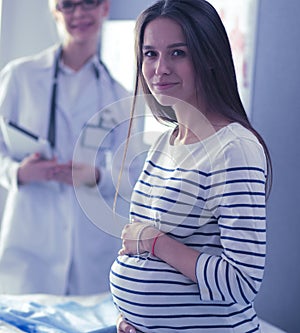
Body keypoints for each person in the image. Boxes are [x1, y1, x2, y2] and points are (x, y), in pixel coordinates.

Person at [99, 0, 273, 332]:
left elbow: (242, 282)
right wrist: (129, 318)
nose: (160, 68)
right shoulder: (165, 143)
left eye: (177, 52)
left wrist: (155, 242)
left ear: (207, 57)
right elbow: (140, 256)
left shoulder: (234, 148)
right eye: (150, 54)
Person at [0, 0, 141, 295]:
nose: (79, 13)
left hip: (89, 249)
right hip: (30, 246)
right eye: (67, 5)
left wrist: (99, 176)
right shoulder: (20, 77)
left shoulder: (120, 96)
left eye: (89, 2)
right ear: (54, 11)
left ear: (105, 8)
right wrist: (19, 172)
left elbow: (131, 176)